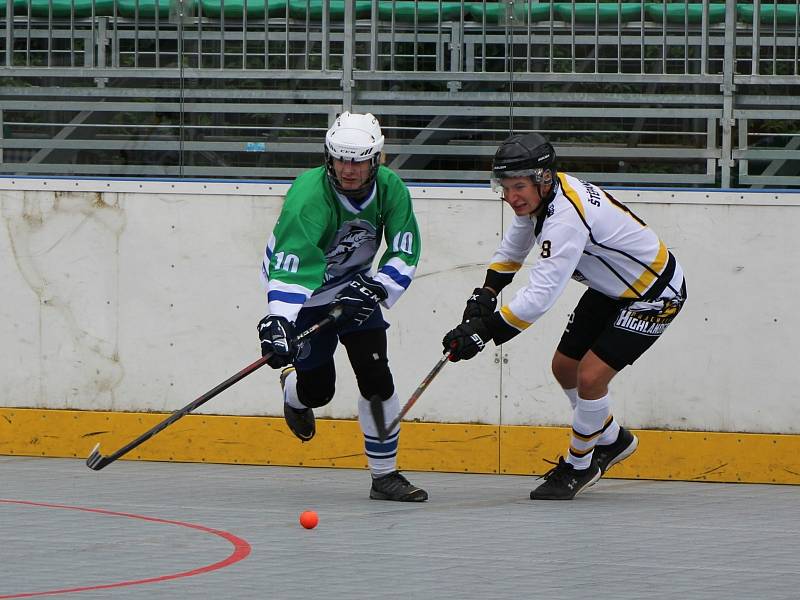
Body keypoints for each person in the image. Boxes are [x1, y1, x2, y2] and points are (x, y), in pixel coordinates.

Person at [442, 132, 687, 501]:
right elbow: (513, 248)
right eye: (505, 188)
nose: (511, 197)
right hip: (613, 288)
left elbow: (540, 297)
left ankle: (580, 464)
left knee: (589, 378)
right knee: (564, 367)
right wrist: (484, 296)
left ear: (542, 178)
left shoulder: (566, 218)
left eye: (519, 186)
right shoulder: (544, 197)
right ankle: (611, 439)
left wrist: (483, 332)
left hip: (653, 295)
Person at [257, 112, 427, 502]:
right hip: (307, 292)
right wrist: (279, 322)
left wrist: (378, 288)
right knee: (320, 390)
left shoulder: (390, 188)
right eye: (341, 159)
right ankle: (294, 392)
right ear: (329, 157)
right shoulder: (309, 195)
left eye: (359, 160)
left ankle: (385, 476)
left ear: (376, 159)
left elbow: (404, 247)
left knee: (376, 376)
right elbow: (291, 266)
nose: (349, 170)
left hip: (356, 287)